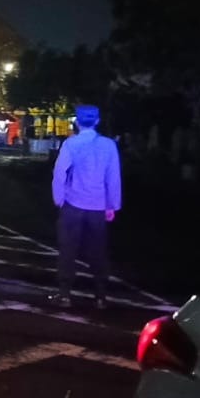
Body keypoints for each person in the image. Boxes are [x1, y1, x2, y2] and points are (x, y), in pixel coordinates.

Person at [50, 104, 121, 309]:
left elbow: (60, 172)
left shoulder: (71, 144)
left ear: (77, 122)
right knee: (98, 250)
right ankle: (100, 296)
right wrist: (112, 205)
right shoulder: (109, 145)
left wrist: (59, 198)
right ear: (97, 121)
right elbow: (113, 177)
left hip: (73, 204)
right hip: (98, 206)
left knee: (68, 249)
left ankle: (65, 294)